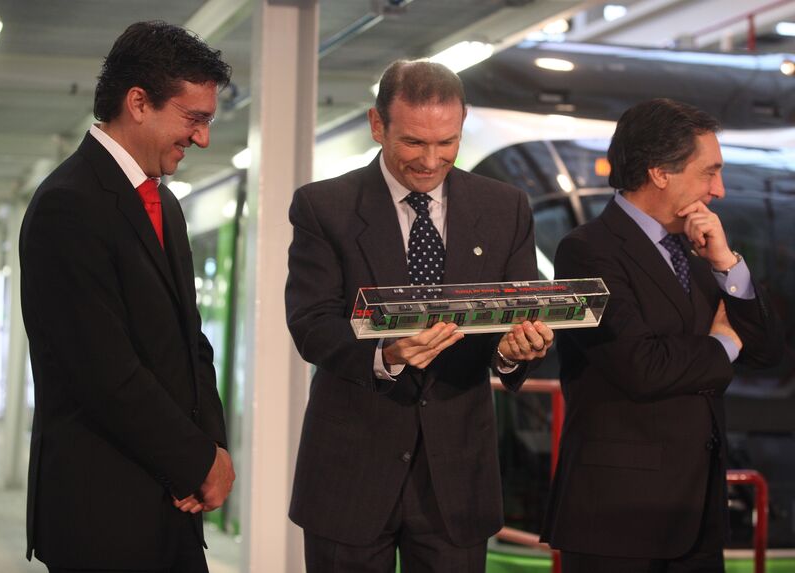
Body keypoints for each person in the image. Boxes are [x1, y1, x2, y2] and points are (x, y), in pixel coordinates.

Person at [285, 59, 555, 572]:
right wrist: (385, 355)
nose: (431, 161)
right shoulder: (324, 206)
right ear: (377, 124)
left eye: (446, 142)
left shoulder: (507, 207)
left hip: (459, 478)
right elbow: (311, 322)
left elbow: (518, 313)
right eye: (413, 142)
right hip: (351, 472)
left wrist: (514, 350)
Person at [20, 21, 235, 573]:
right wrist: (196, 460)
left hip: (173, 501)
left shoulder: (164, 204)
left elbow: (191, 343)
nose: (202, 138)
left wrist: (212, 449)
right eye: (193, 118)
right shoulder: (67, 205)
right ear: (138, 102)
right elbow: (103, 372)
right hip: (102, 510)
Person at [541, 98, 782, 572]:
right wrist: (723, 344)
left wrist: (727, 265)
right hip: (618, 521)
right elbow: (641, 366)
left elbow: (767, 351)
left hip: (698, 515)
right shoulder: (585, 251)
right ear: (659, 173)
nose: (720, 190)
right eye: (709, 173)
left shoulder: (700, 248)